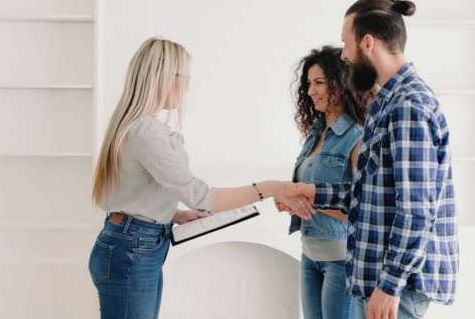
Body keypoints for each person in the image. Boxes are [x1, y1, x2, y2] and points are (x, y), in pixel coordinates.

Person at [88, 37, 312, 319]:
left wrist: (174, 214)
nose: (186, 87)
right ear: (164, 78)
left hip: (136, 242)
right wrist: (269, 188)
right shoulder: (147, 133)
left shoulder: (140, 128)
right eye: (184, 78)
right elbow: (204, 197)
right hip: (132, 248)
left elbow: (137, 191)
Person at [289, 0, 459, 319]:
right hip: (385, 279)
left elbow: (415, 210)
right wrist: (312, 192)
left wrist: (391, 284)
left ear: (367, 43)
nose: (343, 55)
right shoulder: (387, 103)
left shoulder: (408, 106)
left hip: (399, 286)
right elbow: (370, 195)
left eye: (346, 44)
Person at [277, 45, 370, 319]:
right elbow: (311, 193)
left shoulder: (357, 136)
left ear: (341, 85)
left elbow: (362, 208)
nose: (310, 91)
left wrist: (307, 202)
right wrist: (291, 201)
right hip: (310, 254)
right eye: (308, 83)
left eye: (319, 82)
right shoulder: (316, 134)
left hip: (341, 259)